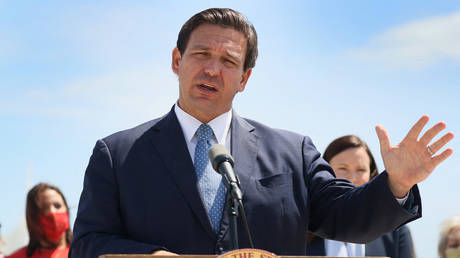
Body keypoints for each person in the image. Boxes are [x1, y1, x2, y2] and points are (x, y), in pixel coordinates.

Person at [69, 8, 454, 258]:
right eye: (201, 55)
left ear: (245, 78)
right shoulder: (117, 155)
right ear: (177, 61)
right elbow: (86, 245)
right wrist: (153, 257)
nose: (212, 70)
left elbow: (346, 219)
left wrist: (396, 184)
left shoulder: (292, 152)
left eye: (228, 61)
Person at [306, 135, 415, 257]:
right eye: (343, 168)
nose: (352, 179)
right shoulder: (302, 228)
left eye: (361, 170)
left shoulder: (396, 233)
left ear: (372, 176)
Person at [7, 183, 72, 258]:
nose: (52, 212)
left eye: (57, 206)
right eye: (44, 208)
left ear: (67, 209)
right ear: (32, 218)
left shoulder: (83, 253)